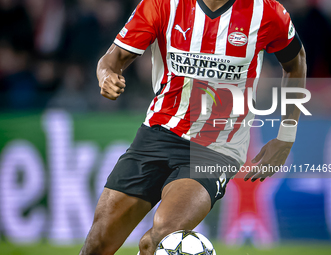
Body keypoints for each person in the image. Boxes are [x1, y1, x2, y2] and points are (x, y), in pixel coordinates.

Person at [79, 0, 306, 254]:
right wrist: (106, 75)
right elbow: (113, 58)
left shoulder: (265, 11)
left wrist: (286, 136)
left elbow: (296, 63)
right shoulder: (161, 4)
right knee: (97, 244)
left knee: (162, 237)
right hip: (157, 133)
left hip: (217, 146)